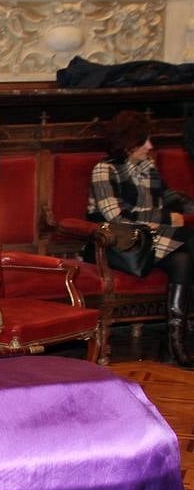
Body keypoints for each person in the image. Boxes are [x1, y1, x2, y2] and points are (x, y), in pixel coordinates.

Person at [87, 111, 194, 367]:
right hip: (119, 245)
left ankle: (174, 342)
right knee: (187, 247)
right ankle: (173, 344)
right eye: (144, 140)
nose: (150, 146)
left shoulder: (147, 167)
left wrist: (187, 208)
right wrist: (167, 218)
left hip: (152, 242)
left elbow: (170, 197)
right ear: (128, 142)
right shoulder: (105, 169)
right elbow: (117, 217)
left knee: (183, 258)